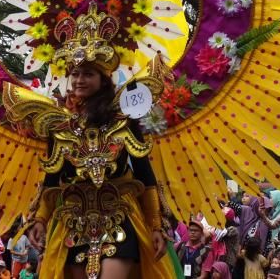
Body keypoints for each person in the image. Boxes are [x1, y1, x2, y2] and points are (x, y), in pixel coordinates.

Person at [14, 52, 173, 278]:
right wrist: (40, 219)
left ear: (104, 78)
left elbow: (144, 173)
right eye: (75, 74)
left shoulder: (123, 119)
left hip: (119, 215)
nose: (79, 80)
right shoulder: (59, 125)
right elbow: (52, 179)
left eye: (88, 74)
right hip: (74, 221)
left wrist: (156, 225)